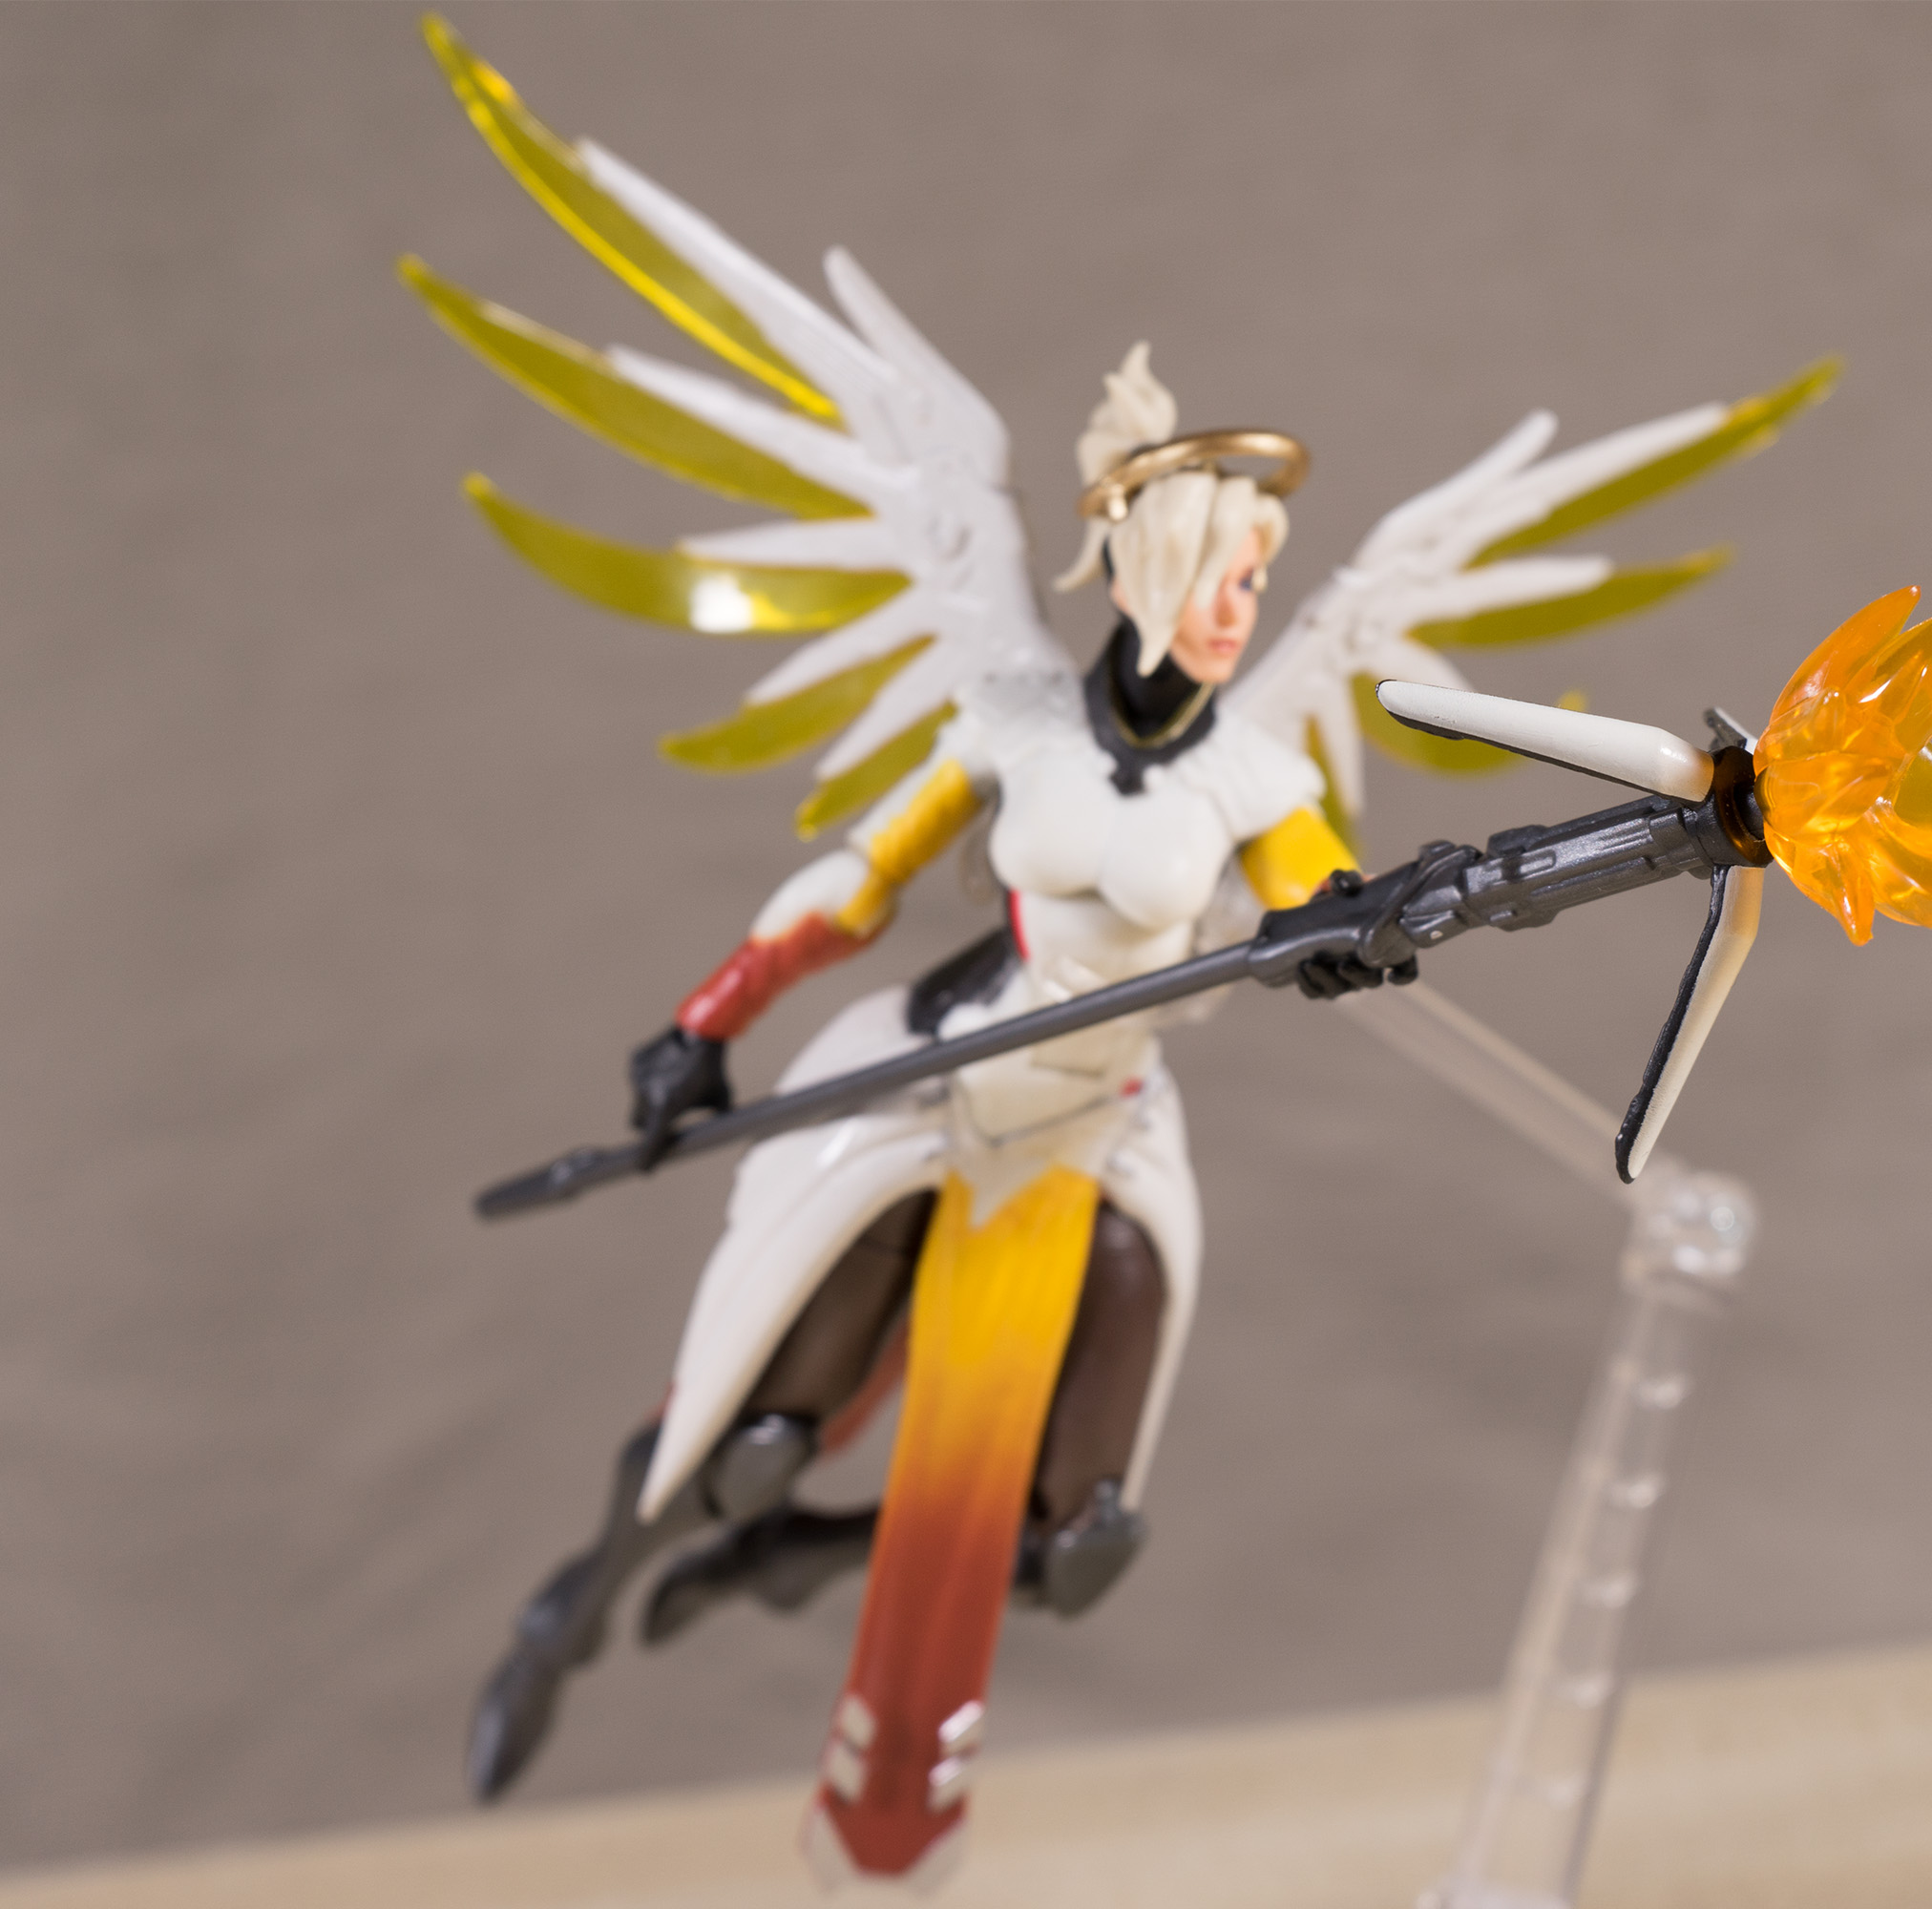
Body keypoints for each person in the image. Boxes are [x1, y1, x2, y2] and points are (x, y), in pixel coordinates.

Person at [467, 346, 1362, 1801]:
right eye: (1216, 576)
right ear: (1135, 574)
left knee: (1077, 1546)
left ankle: (804, 1557)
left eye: (1255, 583)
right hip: (938, 1091)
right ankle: (571, 1612)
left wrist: (1351, 932)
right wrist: (707, 1021)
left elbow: (1317, 888)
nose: (1235, 612)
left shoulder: (1253, 780)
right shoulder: (1016, 721)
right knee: (747, 1434)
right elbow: (862, 880)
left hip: (1100, 1131)